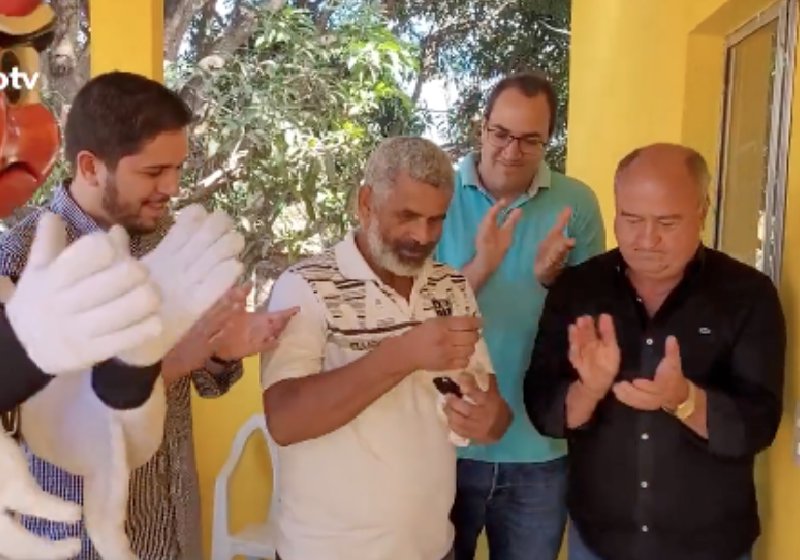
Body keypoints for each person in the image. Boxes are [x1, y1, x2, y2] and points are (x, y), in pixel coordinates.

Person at [0, 71, 297, 560]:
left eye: (178, 168)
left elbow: (205, 383)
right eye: (154, 172)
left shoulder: (173, 244)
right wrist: (165, 360)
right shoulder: (24, 261)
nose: (173, 187)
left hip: (170, 527)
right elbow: (28, 417)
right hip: (76, 542)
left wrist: (221, 354)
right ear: (91, 167)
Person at [524, 143, 786, 560]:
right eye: (631, 219)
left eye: (667, 222)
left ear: (702, 211)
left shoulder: (746, 295)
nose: (647, 239)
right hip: (600, 543)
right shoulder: (578, 290)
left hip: (712, 546)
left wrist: (685, 401)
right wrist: (589, 390)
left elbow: (758, 425)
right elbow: (543, 411)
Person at [260, 136, 513, 560]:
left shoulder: (451, 287)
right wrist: (402, 354)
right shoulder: (305, 286)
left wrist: (486, 417)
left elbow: (494, 414)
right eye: (408, 216)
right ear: (366, 203)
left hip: (433, 549)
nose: (422, 235)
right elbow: (285, 421)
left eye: (436, 219)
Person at [435, 71, 605, 559]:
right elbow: (412, 314)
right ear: (480, 127)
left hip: (540, 450)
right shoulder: (437, 195)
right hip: (445, 443)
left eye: (530, 139)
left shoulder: (577, 204)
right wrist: (481, 267)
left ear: (549, 139)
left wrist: (555, 279)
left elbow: (593, 323)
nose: (512, 151)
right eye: (501, 134)